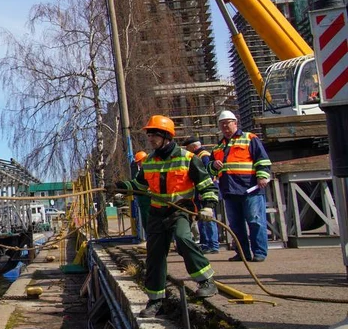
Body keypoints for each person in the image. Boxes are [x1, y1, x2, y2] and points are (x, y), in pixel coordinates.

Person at [112, 115, 219, 317]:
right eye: (149, 135)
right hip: (157, 214)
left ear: (166, 136)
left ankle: (206, 281)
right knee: (154, 256)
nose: (150, 139)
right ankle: (155, 301)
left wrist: (208, 206)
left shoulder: (188, 159)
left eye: (154, 135)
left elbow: (206, 185)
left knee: (183, 238)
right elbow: (139, 186)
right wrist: (120, 187)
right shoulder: (150, 161)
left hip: (180, 210)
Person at [210, 110, 272, 262]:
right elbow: (210, 170)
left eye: (228, 123)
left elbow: (262, 159)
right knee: (236, 225)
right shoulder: (218, 147)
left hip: (249, 188)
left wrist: (262, 176)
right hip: (230, 190)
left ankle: (259, 252)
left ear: (235, 123)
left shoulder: (249, 138)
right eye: (222, 124)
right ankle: (242, 253)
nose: (225, 127)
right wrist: (213, 165)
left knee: (255, 221)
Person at [183, 137, 219, 254]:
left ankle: (212, 244)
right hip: (199, 192)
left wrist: (203, 193)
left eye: (188, 148)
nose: (187, 150)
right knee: (201, 218)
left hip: (204, 192)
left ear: (193, 147)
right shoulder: (198, 156)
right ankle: (205, 243)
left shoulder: (204, 156)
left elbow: (206, 175)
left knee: (208, 218)